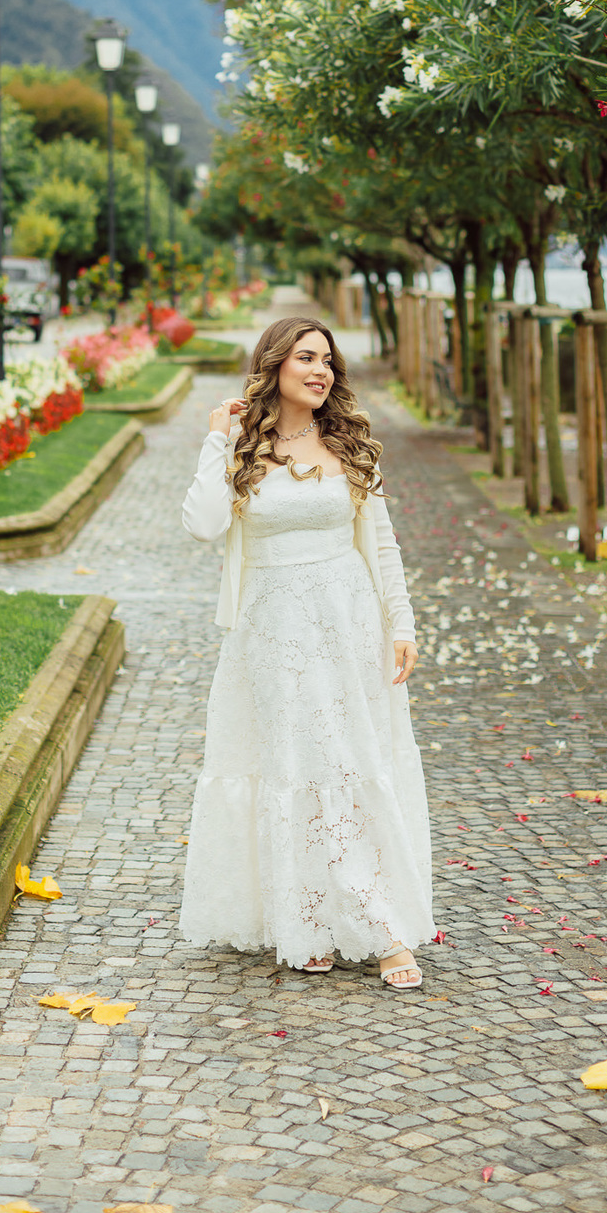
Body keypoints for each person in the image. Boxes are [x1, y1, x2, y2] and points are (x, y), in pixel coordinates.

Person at [179, 315, 433, 988]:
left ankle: (384, 928)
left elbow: (380, 544)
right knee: (292, 767)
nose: (320, 370)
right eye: (305, 357)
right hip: (273, 632)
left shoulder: (346, 445)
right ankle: (305, 921)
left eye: (327, 359)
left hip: (347, 624)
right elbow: (203, 524)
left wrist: (400, 624)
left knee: (351, 762)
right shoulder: (242, 448)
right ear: (275, 366)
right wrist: (214, 438)